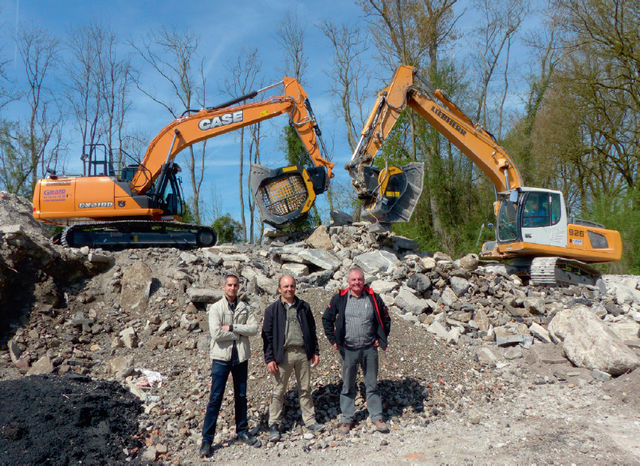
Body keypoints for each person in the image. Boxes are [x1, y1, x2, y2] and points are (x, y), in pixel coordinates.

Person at [322, 266, 391, 434]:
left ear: (363, 280)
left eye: (359, 279)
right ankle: (346, 419)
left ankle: (377, 417)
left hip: (369, 349)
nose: (357, 282)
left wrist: (380, 338)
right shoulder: (340, 298)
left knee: (372, 384)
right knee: (347, 385)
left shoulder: (373, 297)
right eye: (353, 280)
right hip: (348, 350)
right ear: (348, 281)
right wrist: (334, 341)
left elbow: (385, 318)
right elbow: (327, 319)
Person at [200, 274, 261, 458]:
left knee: (241, 396)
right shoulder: (216, 308)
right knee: (215, 398)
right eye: (229, 285)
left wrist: (233, 328)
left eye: (235, 285)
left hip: (240, 358)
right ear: (223, 287)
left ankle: (242, 432)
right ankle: (207, 440)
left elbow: (254, 329)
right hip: (220, 358)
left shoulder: (244, 307)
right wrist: (239, 334)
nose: (232, 288)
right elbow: (216, 334)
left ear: (238, 287)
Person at [262, 275, 324, 442]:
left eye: (292, 286)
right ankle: (274, 424)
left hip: (303, 353)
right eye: (286, 286)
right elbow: (267, 336)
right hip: (282, 356)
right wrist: (269, 359)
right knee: (278, 391)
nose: (289, 289)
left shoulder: (304, 307)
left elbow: (312, 330)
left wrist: (315, 351)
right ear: (279, 289)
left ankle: (310, 421)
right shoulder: (272, 310)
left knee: (305, 389)